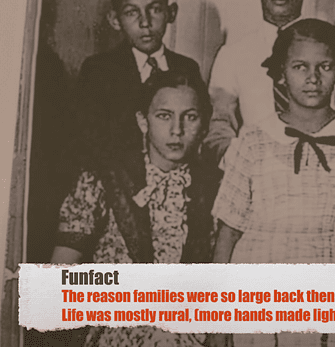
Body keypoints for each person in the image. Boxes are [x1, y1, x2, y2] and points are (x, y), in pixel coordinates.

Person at [209, 19, 335, 347]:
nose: (313, 78)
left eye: (325, 67)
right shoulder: (254, 139)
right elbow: (227, 233)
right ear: (280, 73)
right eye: (300, 66)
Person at [51, 70, 218, 346]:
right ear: (143, 121)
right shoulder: (105, 179)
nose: (177, 130)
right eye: (164, 116)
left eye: (190, 117)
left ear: (204, 125)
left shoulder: (216, 188)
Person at [72, 0, 200, 174]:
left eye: (155, 9)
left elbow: (197, 133)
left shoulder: (187, 69)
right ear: (115, 20)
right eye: (132, 12)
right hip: (116, 184)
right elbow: (89, 140)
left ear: (171, 13)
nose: (145, 22)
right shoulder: (99, 70)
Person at [205, 0, 316, 166]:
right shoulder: (233, 56)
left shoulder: (334, 52)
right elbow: (218, 126)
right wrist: (246, 167)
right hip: (251, 176)